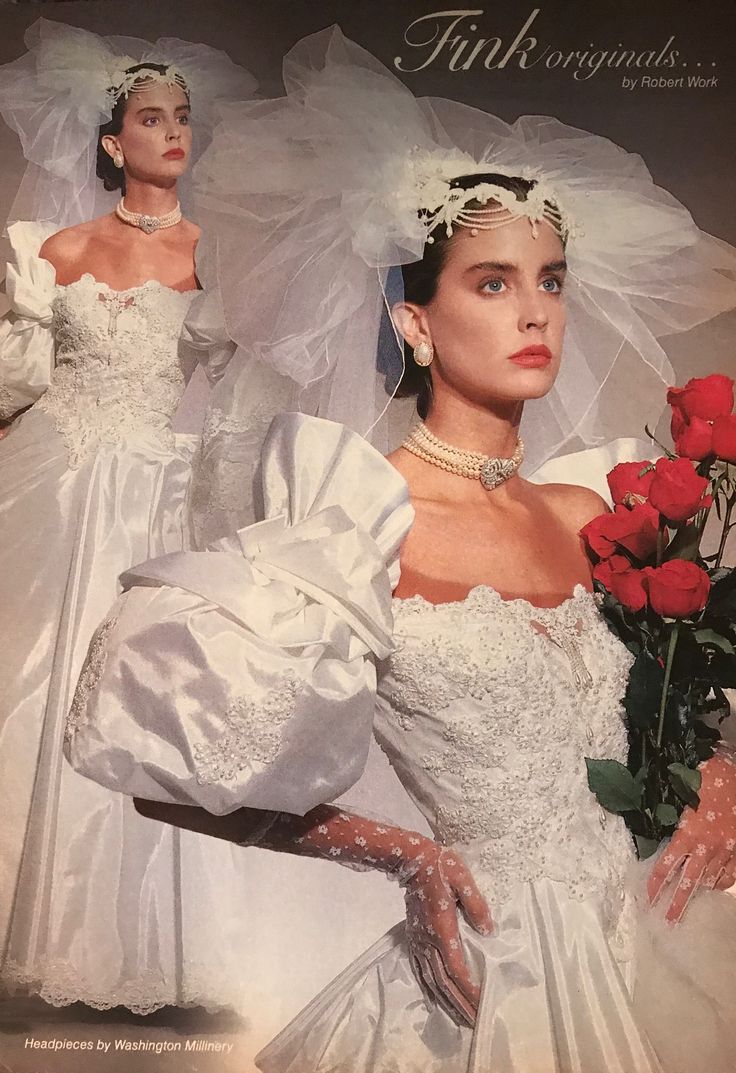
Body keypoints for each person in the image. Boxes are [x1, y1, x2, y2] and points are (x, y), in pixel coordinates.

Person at [65, 29, 736, 1071]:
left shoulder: (602, 503)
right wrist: (407, 856)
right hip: (503, 969)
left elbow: (676, 703)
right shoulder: (357, 521)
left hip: (667, 933)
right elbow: (165, 761)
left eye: (550, 282)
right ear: (414, 323)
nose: (534, 313)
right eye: (492, 284)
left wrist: (718, 773)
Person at [0, 20, 258, 1013]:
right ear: (114, 141)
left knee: (151, 685)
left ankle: (148, 939)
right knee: (38, 678)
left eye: (184, 117)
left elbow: (248, 390)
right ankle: (47, 921)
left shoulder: (221, 255)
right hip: (55, 478)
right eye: (153, 117)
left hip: (161, 485)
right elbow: (16, 383)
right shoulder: (50, 246)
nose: (174, 132)